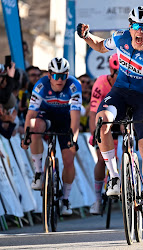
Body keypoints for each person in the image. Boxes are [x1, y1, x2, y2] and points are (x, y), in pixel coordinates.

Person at [77, 6, 143, 220]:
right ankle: (114, 177)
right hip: (120, 93)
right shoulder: (120, 37)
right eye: (136, 27)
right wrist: (86, 36)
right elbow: (99, 46)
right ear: (130, 27)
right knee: (102, 121)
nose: (140, 32)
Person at [21, 57, 82, 215]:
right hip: (46, 116)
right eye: (56, 76)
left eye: (63, 76)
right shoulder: (41, 85)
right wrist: (27, 135)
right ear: (49, 75)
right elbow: (30, 114)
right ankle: (38, 173)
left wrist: (73, 139)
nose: (59, 80)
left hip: (65, 120)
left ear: (67, 75)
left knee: (69, 159)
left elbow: (75, 118)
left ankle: (66, 199)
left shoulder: (74, 86)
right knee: (35, 127)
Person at [88, 53, 120, 215]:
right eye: (117, 74)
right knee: (101, 159)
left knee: (130, 150)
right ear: (111, 70)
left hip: (123, 116)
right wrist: (94, 133)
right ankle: (97, 199)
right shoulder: (101, 82)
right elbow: (93, 112)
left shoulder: (129, 82)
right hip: (105, 117)